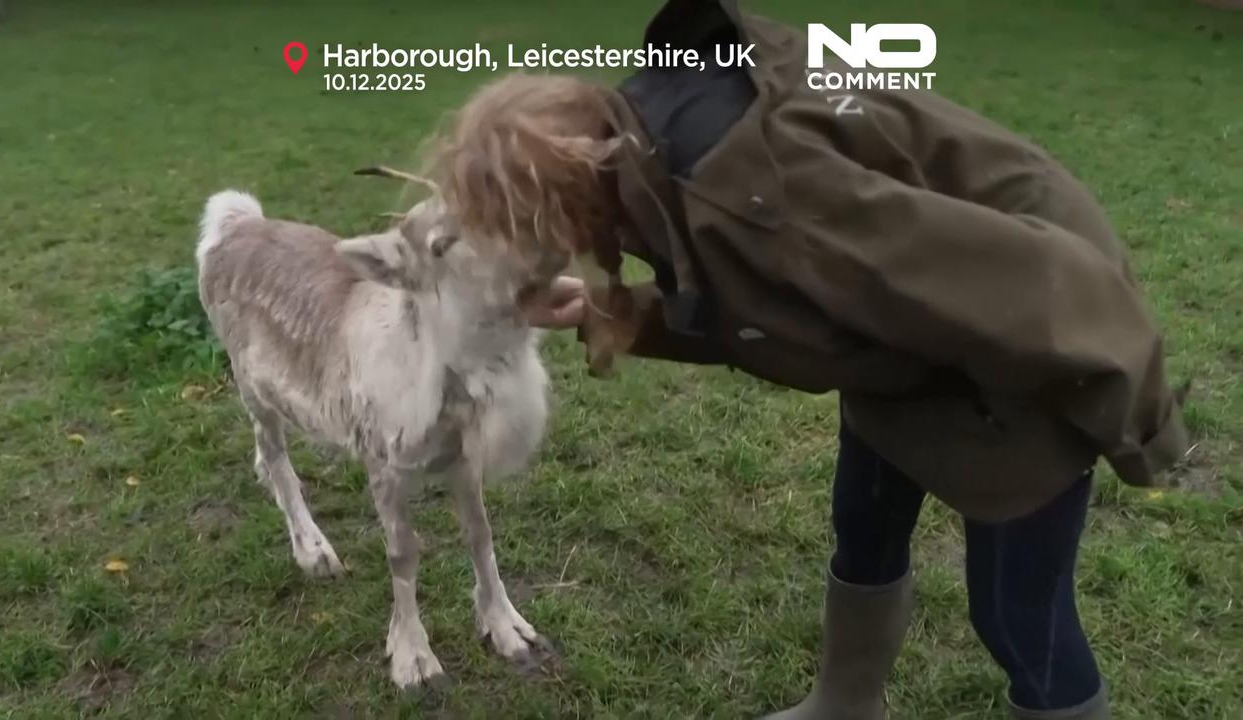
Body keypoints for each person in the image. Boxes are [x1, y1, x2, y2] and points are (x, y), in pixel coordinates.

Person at [424, 1, 1191, 717]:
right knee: (863, 527)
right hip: (908, 343)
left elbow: (1032, 288)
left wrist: (1137, 422)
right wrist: (611, 313)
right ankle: (845, 704)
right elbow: (780, 305)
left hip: (1025, 359)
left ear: (562, 194)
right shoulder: (656, 147)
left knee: (1018, 616)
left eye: (523, 227)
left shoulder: (759, 195)